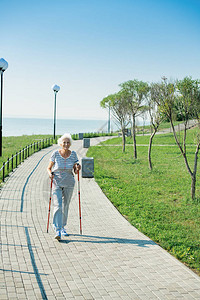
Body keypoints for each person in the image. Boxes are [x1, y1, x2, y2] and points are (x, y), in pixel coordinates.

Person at [47, 133, 81, 240]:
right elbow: (49, 168)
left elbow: (75, 171)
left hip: (69, 182)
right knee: (58, 205)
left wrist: (77, 167)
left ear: (70, 144)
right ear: (60, 143)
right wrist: (50, 174)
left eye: (68, 142)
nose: (66, 144)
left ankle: (62, 227)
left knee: (66, 205)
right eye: (64, 142)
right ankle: (57, 229)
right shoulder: (55, 154)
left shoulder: (74, 154)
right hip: (56, 181)